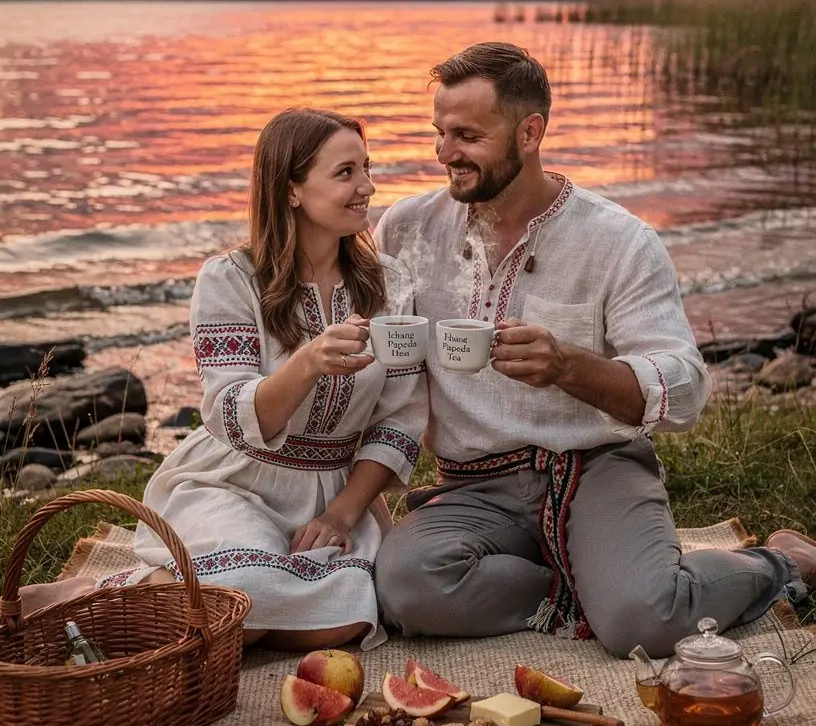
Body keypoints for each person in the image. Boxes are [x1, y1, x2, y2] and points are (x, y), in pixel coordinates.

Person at [373, 42, 813, 656]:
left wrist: (569, 367)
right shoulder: (405, 229)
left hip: (595, 470)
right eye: (439, 133)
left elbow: (684, 387)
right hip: (473, 486)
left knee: (644, 624)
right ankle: (590, 588)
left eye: (467, 135)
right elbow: (380, 355)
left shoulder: (618, 241)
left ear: (530, 132)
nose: (446, 153)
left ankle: (778, 562)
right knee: (403, 586)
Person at [22, 109, 426, 649]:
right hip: (236, 481)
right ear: (291, 191)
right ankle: (96, 593)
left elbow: (399, 417)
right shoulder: (230, 279)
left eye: (366, 168)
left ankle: (186, 600)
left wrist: (342, 512)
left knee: (350, 617)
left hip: (335, 490)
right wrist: (307, 362)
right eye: (346, 173)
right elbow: (228, 410)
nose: (368, 187)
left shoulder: (390, 284)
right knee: (243, 592)